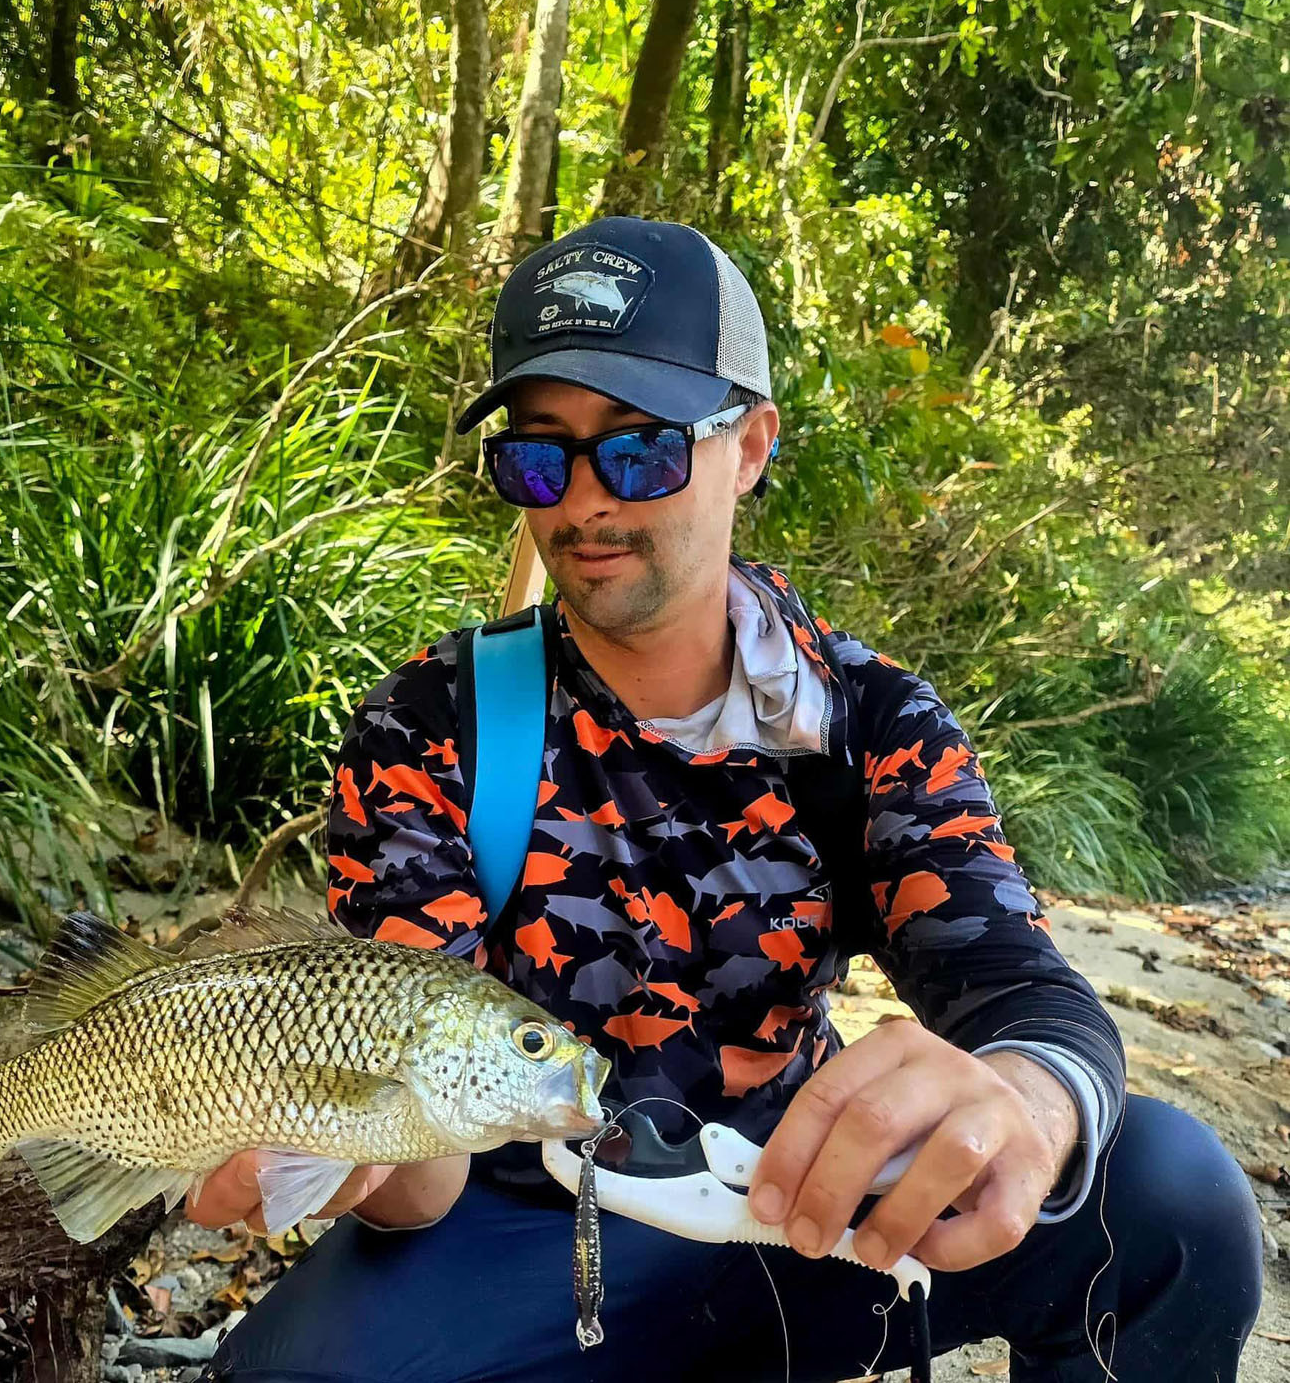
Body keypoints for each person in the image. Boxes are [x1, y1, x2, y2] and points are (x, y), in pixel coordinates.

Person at [193, 217, 1261, 1382]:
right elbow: (412, 1133)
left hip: (801, 1201)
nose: (586, 506)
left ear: (750, 445)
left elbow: (1020, 987)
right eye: (540, 457)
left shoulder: (872, 719)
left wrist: (1026, 1099)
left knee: (1168, 1200)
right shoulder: (430, 725)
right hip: (531, 1229)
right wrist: (339, 1145)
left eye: (640, 451)